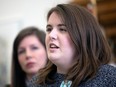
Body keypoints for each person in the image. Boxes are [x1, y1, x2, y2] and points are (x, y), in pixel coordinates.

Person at [37, 4, 116, 87]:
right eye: (49, 29)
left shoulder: (110, 78)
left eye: (62, 29)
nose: (51, 35)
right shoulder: (38, 82)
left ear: (84, 37)